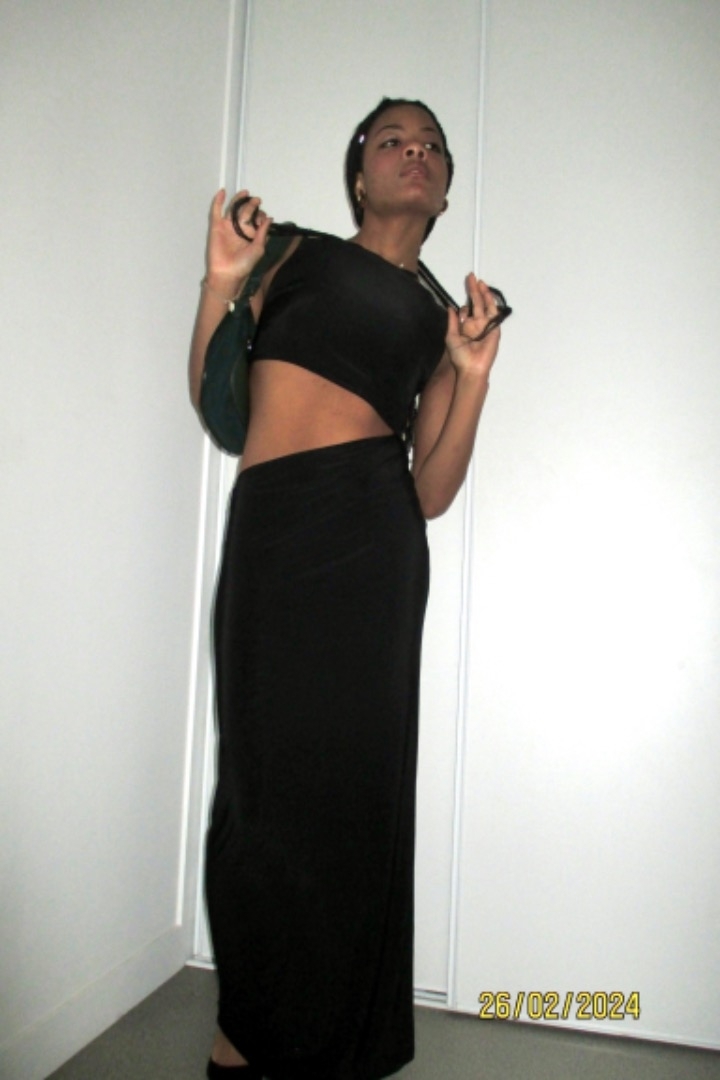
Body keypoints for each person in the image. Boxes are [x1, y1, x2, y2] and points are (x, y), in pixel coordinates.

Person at [188, 97, 504, 1080]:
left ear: (443, 190)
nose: (415, 152)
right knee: (260, 787)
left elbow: (431, 490)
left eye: (432, 146)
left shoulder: (443, 319)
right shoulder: (291, 252)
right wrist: (223, 281)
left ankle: (335, 1045)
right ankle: (247, 1030)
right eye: (392, 140)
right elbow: (218, 403)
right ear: (358, 173)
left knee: (351, 803)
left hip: (373, 546)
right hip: (275, 530)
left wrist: (471, 374)